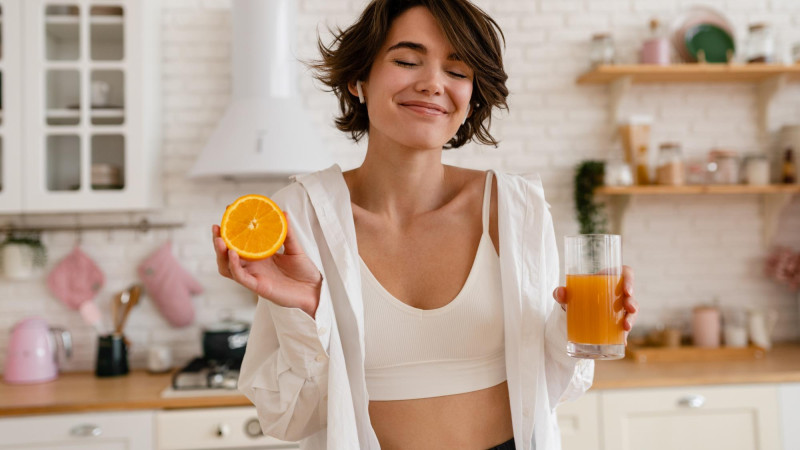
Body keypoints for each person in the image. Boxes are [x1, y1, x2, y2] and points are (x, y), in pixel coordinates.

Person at [212, 1, 638, 449]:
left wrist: (575, 323)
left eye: (457, 71)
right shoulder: (300, 217)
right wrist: (306, 311)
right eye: (407, 61)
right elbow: (288, 418)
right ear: (359, 79)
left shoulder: (515, 208)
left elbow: (558, 382)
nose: (433, 83)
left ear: (472, 94)